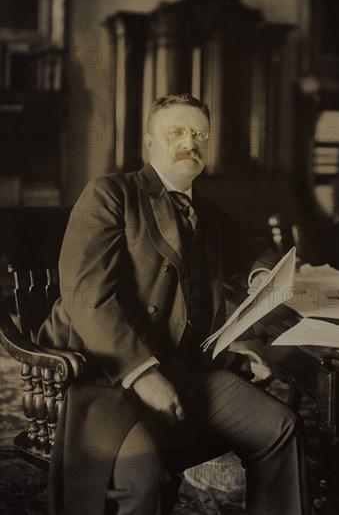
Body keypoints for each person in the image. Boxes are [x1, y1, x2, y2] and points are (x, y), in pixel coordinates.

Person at [38, 93, 310, 515]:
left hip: (188, 369)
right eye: (175, 132)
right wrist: (142, 374)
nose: (190, 142)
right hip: (109, 376)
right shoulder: (111, 195)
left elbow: (258, 252)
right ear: (149, 143)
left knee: (280, 428)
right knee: (141, 477)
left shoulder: (209, 212)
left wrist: (259, 276)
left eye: (199, 133)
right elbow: (87, 297)